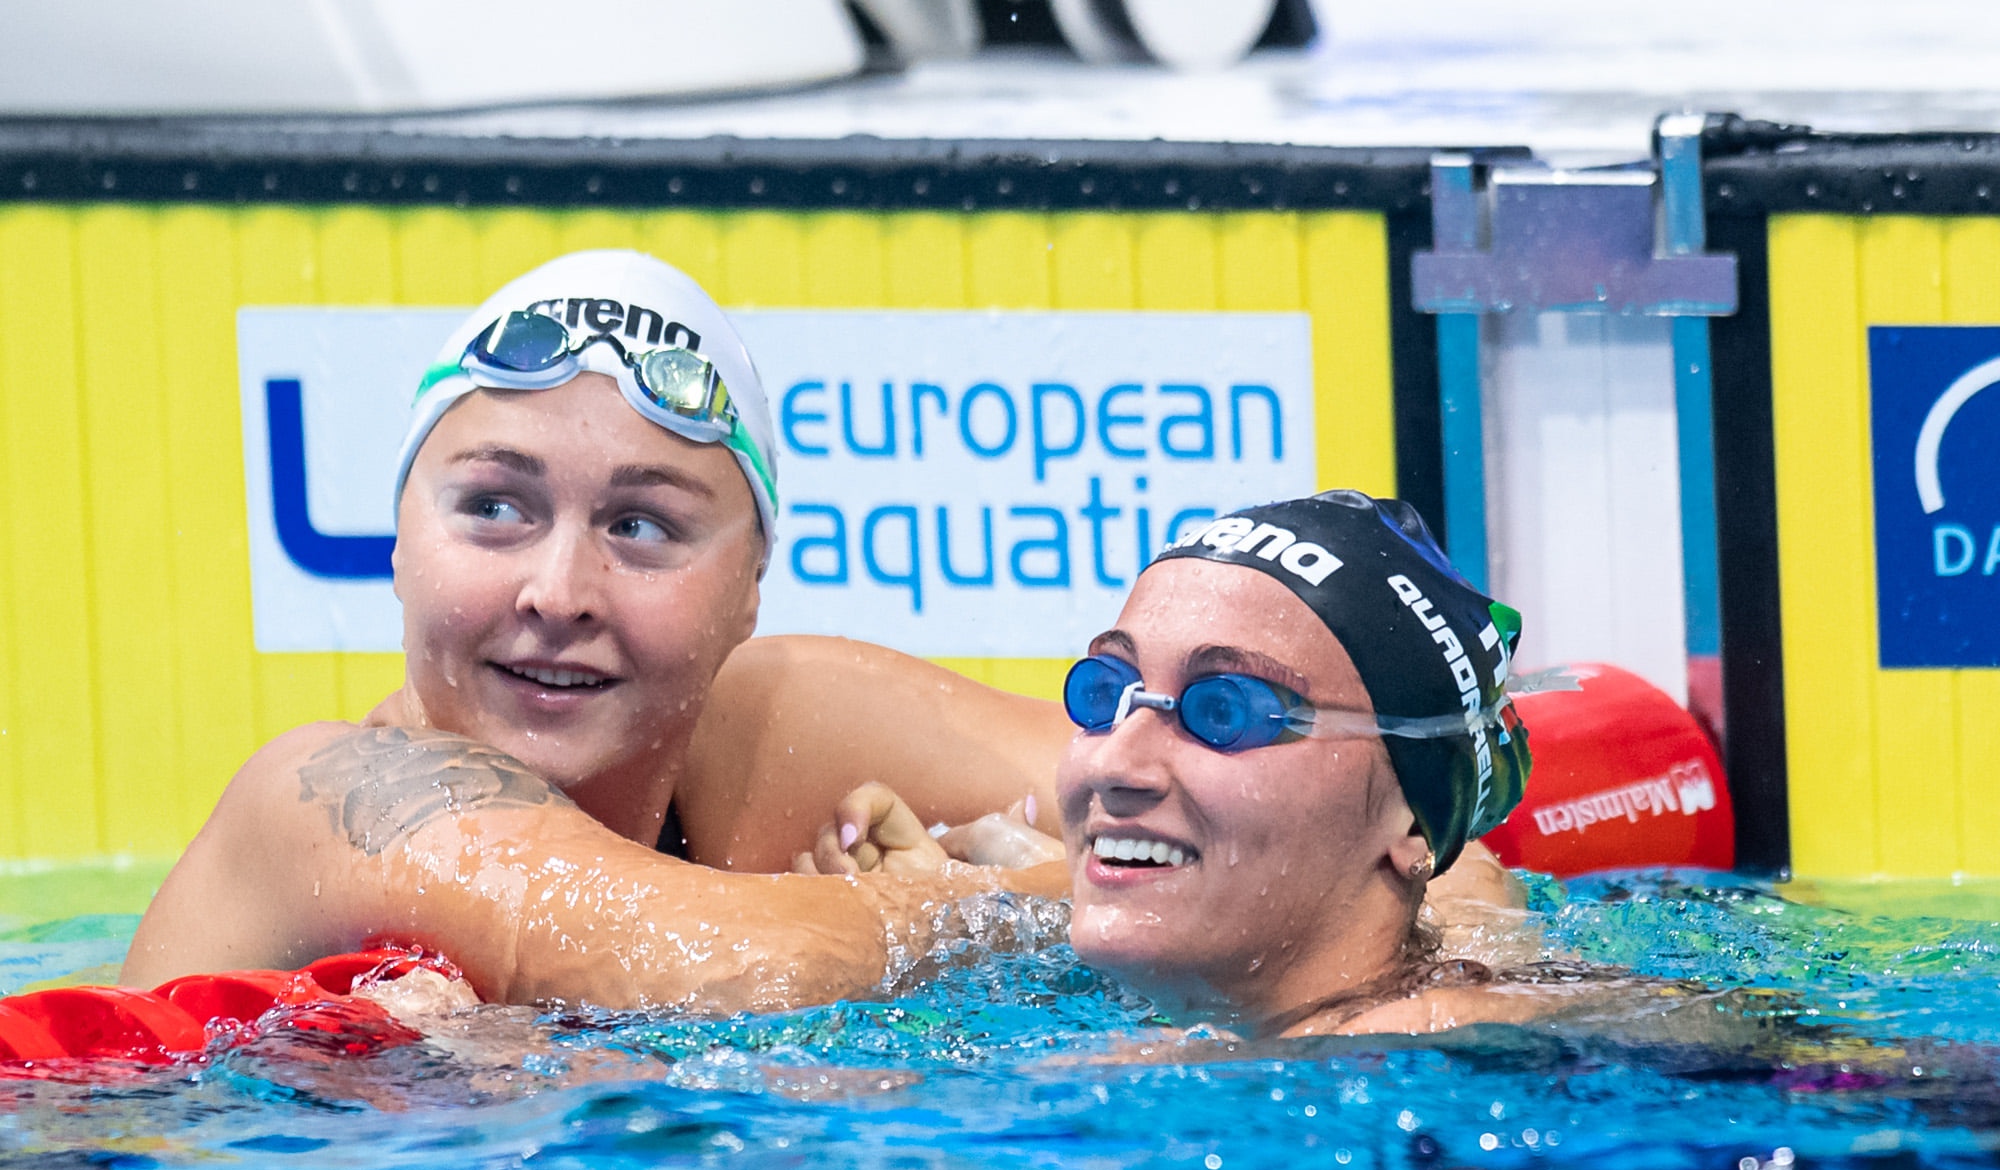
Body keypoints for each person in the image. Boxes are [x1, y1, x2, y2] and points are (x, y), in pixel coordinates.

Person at [122, 249, 1069, 1007]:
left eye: (640, 526)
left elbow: (1191, 799)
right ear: (401, 545)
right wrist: (992, 904)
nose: (559, 591)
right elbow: (738, 968)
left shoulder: (777, 727)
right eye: (495, 508)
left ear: (751, 586)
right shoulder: (340, 804)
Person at [804, 490, 1582, 1038]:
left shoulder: (1461, 1058)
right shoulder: (1214, 1041)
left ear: (1411, 817)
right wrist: (969, 908)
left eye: (1225, 710)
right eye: (1106, 690)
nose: (1117, 761)